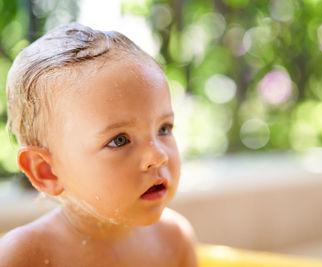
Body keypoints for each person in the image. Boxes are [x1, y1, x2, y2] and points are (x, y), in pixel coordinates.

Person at [0, 22, 197, 267]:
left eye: (164, 129)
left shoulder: (174, 239)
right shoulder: (26, 255)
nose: (158, 155)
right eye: (119, 140)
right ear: (47, 170)